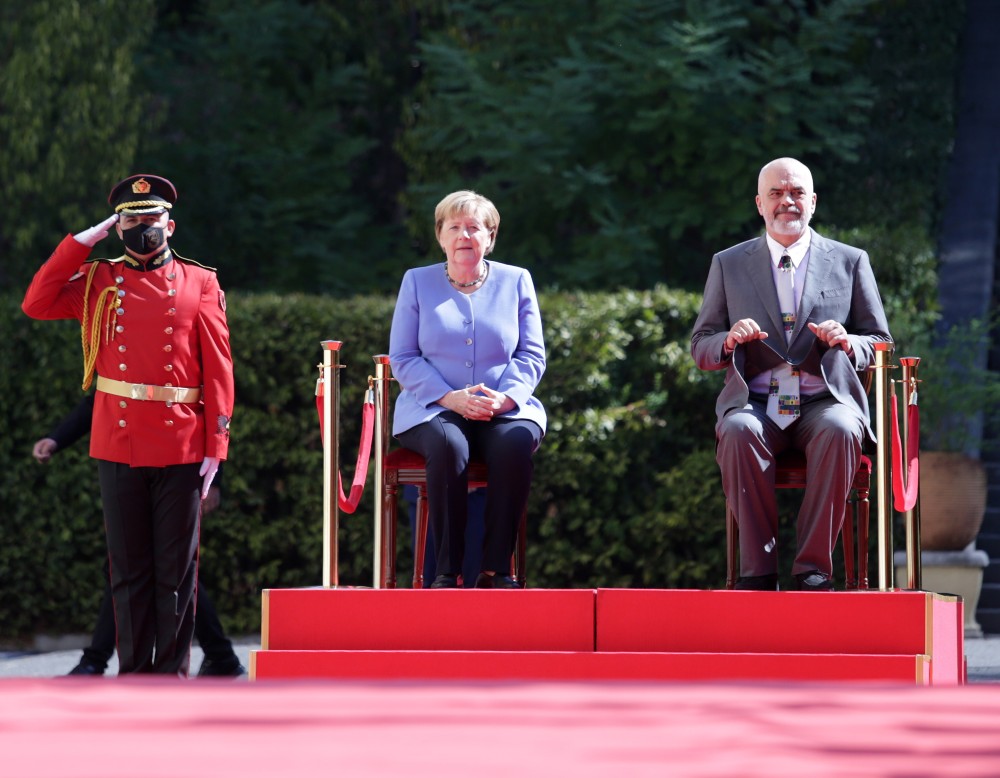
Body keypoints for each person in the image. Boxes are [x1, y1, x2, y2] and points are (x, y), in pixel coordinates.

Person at [22, 174, 234, 675]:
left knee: (176, 574)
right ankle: (135, 677)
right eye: (131, 220)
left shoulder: (200, 280)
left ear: (170, 224)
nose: (143, 228)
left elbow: (219, 368)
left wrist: (216, 446)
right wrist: (83, 241)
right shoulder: (98, 278)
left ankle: (172, 675)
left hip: (181, 442)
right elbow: (37, 301)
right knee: (129, 572)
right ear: (118, 229)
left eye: (151, 219)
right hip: (117, 441)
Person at [690, 158, 892, 591]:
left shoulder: (850, 260)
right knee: (738, 430)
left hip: (824, 402)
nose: (788, 202)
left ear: (813, 201)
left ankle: (812, 571)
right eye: (777, 194)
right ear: (760, 204)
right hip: (758, 405)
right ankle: (758, 572)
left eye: (797, 192)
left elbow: (880, 341)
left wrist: (848, 340)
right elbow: (701, 344)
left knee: (842, 428)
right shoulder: (728, 263)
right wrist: (727, 340)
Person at [389, 190, 546, 589]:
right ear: (440, 236)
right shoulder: (417, 281)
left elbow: (531, 354)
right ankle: (446, 570)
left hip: (504, 407)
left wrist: (506, 397)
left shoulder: (517, 280)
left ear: (490, 237)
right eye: (454, 227)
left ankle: (497, 570)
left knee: (515, 444)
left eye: (474, 227)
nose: (464, 235)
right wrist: (449, 397)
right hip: (432, 408)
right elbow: (403, 356)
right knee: (449, 446)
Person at [32, 394, 245, 677]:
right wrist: (58, 438)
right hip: (134, 463)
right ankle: (221, 656)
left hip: (179, 466)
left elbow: (214, 401)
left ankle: (97, 660)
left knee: (169, 569)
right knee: (139, 568)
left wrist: (214, 479)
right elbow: (104, 396)